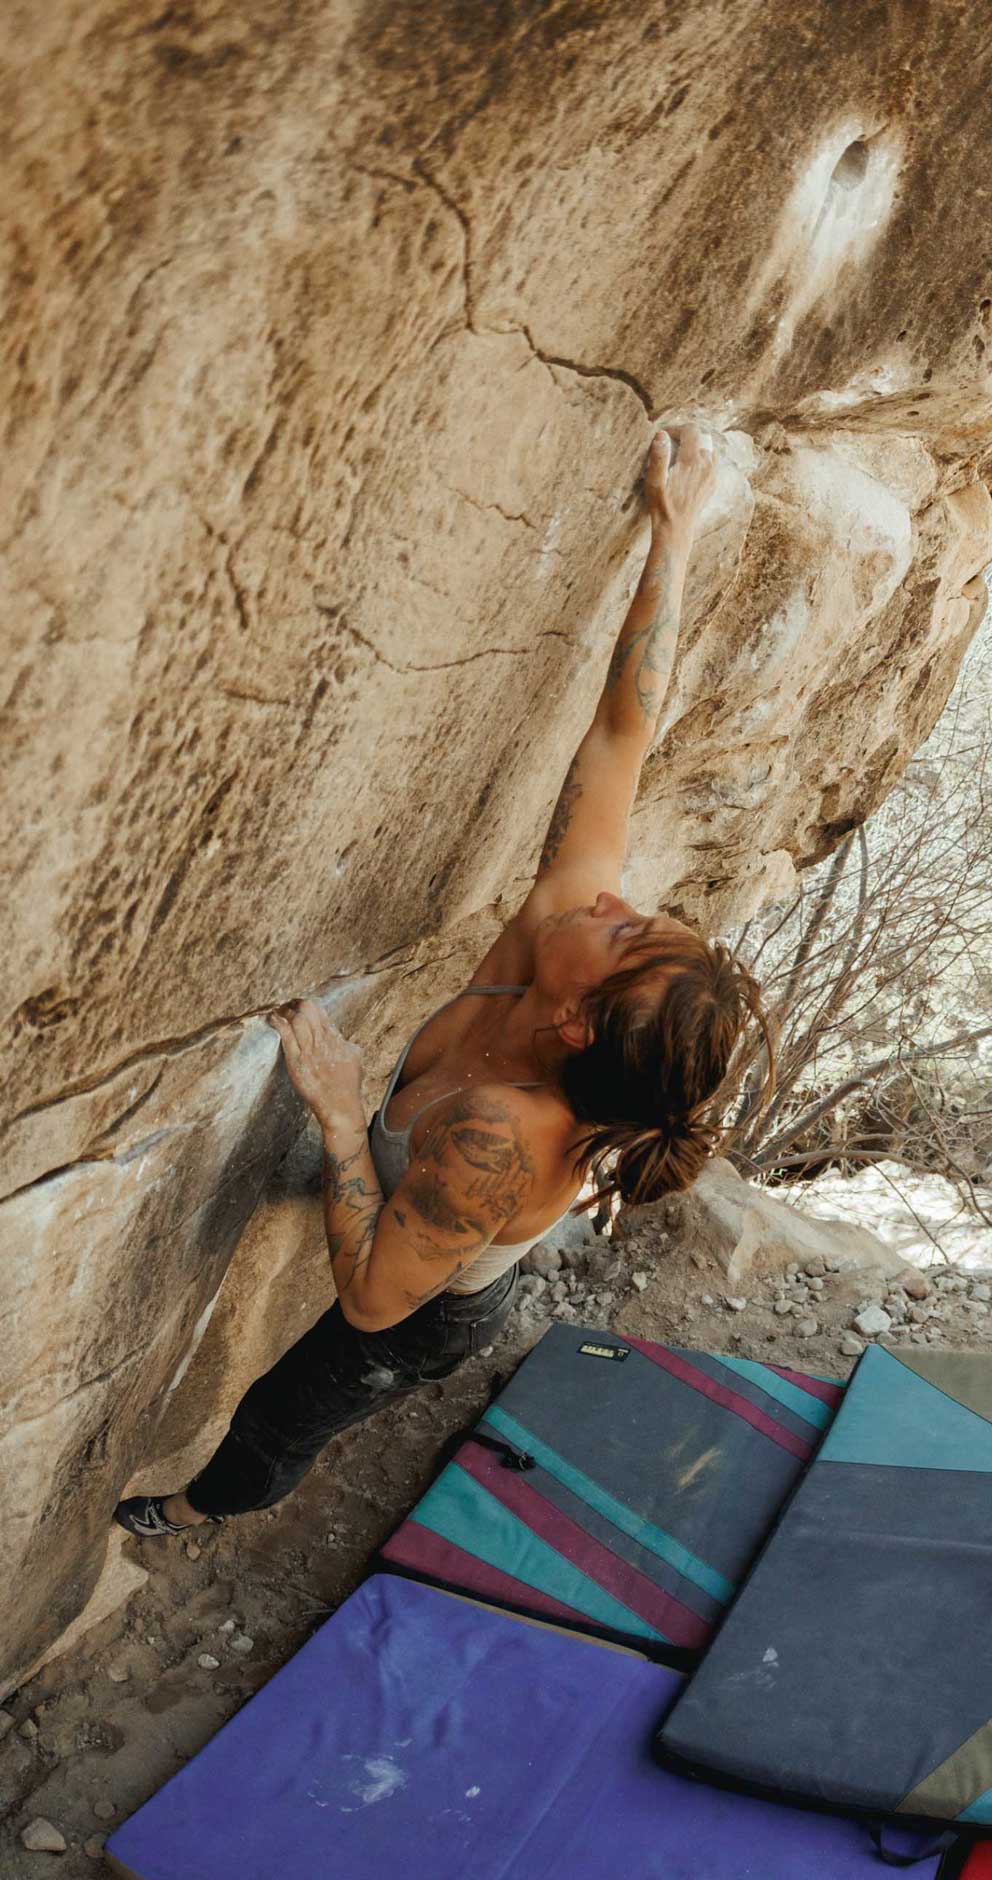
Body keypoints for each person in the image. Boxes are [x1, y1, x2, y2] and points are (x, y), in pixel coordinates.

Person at [115, 423, 775, 1539]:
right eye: (633, 913)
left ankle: (187, 1516)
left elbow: (373, 1297)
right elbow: (620, 738)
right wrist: (675, 534)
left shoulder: (499, 1137)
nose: (609, 903)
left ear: (572, 1022)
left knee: (283, 1416)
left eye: (621, 936)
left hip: (432, 1305)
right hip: (414, 1173)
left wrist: (334, 1118)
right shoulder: (554, 936)